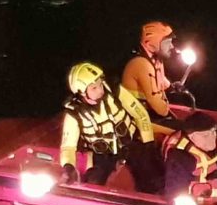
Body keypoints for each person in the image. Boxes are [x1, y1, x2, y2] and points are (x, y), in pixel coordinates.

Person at [60, 61, 163, 193]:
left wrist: (148, 143)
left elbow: (140, 114)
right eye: (94, 88)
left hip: (130, 144)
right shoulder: (74, 113)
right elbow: (68, 147)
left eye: (100, 84)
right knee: (93, 183)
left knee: (151, 177)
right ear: (82, 92)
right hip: (102, 155)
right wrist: (68, 166)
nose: (100, 90)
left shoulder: (115, 91)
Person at [162, 111, 217, 205]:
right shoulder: (180, 157)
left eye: (213, 132)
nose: (212, 137)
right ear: (191, 137)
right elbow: (174, 193)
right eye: (205, 135)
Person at [121, 21, 176, 122]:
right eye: (168, 42)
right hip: (138, 118)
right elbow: (155, 102)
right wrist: (169, 114)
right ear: (150, 45)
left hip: (149, 113)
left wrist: (172, 86)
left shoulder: (156, 60)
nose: (172, 46)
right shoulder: (142, 64)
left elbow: (161, 81)